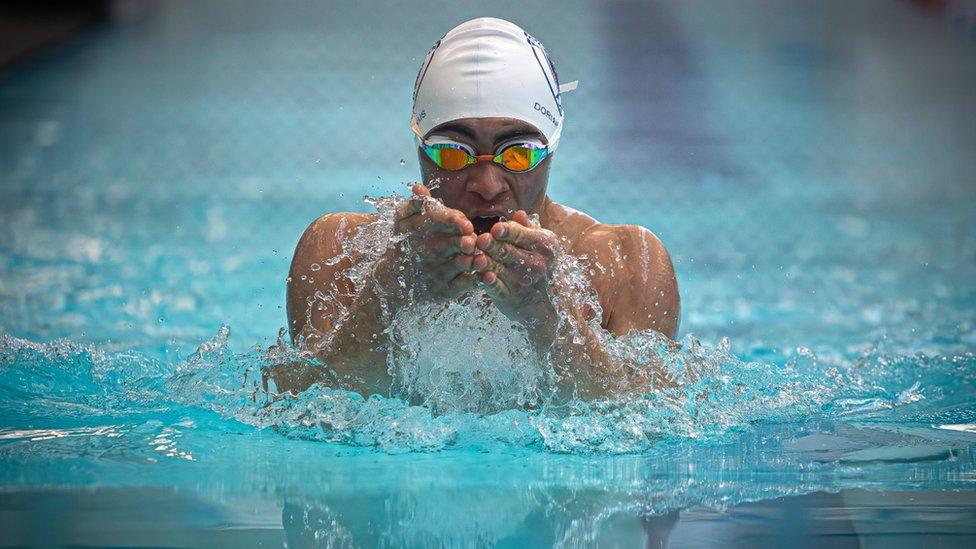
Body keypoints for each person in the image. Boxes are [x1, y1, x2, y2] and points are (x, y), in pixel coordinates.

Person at [275, 17, 680, 399]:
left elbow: (644, 415)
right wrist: (393, 292)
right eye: (453, 153)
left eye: (518, 154)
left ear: (552, 147)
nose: (487, 187)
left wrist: (545, 312)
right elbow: (306, 403)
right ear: (420, 148)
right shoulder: (341, 249)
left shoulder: (626, 261)